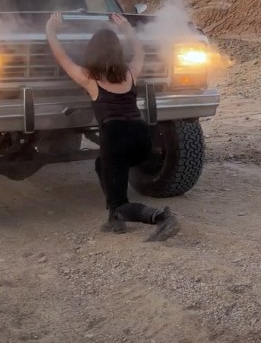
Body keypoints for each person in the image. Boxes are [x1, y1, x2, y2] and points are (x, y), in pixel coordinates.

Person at [45, 12, 180, 241]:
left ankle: (161, 217)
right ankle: (114, 221)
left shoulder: (89, 78)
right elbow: (140, 52)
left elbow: (62, 57)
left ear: (92, 52)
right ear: (118, 52)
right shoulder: (129, 74)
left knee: (120, 203)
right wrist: (127, 29)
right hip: (141, 138)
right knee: (102, 165)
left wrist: (51, 29)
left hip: (115, 138)